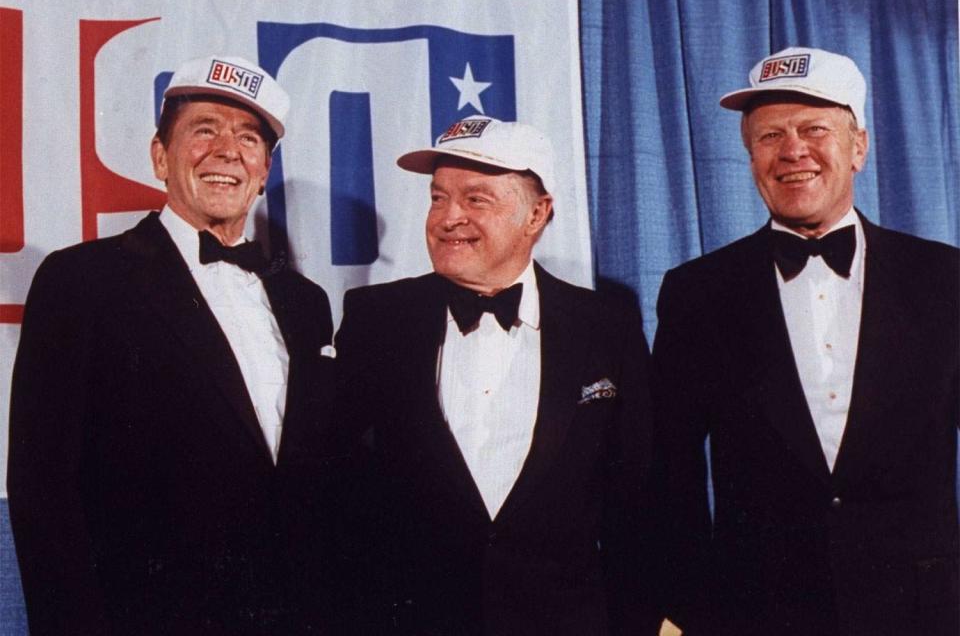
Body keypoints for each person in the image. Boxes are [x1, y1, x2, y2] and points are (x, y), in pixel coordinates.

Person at [7, 55, 348, 635]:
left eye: (247, 138)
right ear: (160, 157)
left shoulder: (305, 301)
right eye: (204, 130)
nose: (226, 151)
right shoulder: (83, 281)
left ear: (264, 170)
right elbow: (43, 489)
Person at [653, 47, 959, 636]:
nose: (792, 150)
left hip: (923, 610)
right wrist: (687, 609)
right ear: (750, 158)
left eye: (814, 129)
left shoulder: (946, 280)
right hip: (757, 612)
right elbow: (673, 473)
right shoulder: (697, 292)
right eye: (770, 136)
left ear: (859, 148)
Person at [335, 115, 661, 635]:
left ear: (537, 214)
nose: (448, 217)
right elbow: (340, 498)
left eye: (476, 200)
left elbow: (638, 503)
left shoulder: (606, 327)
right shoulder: (375, 319)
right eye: (438, 198)